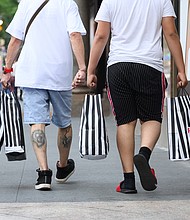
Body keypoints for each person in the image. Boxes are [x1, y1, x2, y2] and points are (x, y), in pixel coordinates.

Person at [87, 0, 188, 194]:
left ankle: (128, 181)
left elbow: (101, 35)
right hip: (149, 66)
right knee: (151, 118)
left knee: (125, 122)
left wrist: (91, 70)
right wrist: (181, 70)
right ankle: (143, 153)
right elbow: (171, 34)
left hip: (118, 66)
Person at [1, 0, 86, 190]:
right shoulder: (68, 4)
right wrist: (82, 67)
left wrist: (7, 69)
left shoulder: (26, 3)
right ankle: (63, 168)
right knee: (64, 122)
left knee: (36, 121)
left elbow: (15, 40)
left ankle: (44, 173)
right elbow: (74, 35)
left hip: (31, 73)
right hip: (59, 74)